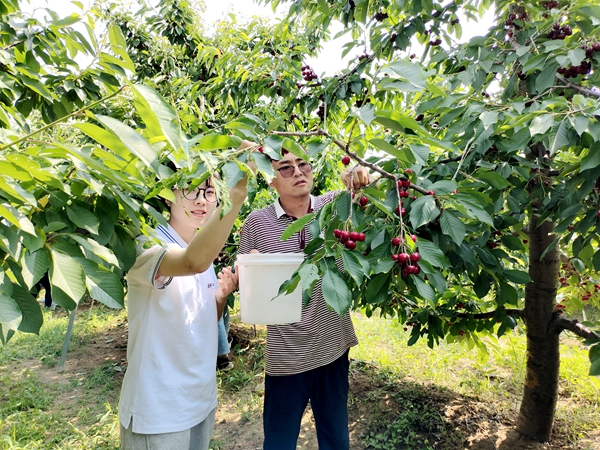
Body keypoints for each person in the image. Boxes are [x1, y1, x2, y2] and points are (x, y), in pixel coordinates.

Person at [119, 145, 254, 450]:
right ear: (168, 192)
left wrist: (219, 298)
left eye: (210, 192)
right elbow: (192, 262)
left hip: (199, 401)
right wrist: (237, 193)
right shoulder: (148, 245)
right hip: (159, 411)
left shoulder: (197, 244)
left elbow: (201, 320)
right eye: (192, 189)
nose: (202, 201)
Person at [238, 150, 371, 450]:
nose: (297, 172)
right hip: (286, 359)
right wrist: (248, 273)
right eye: (285, 168)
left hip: (332, 350)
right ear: (271, 180)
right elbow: (242, 285)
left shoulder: (334, 207)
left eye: (303, 165)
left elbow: (371, 191)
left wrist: (360, 178)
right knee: (279, 442)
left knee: (336, 439)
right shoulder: (256, 224)